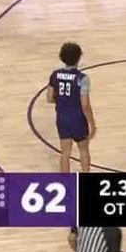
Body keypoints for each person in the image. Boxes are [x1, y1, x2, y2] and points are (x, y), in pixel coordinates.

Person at [47, 41, 96, 173]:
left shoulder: (55, 75)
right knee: (83, 150)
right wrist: (92, 124)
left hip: (62, 119)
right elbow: (85, 105)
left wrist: (63, 100)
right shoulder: (82, 78)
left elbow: (49, 98)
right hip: (78, 119)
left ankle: (65, 181)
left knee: (65, 153)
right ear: (79, 58)